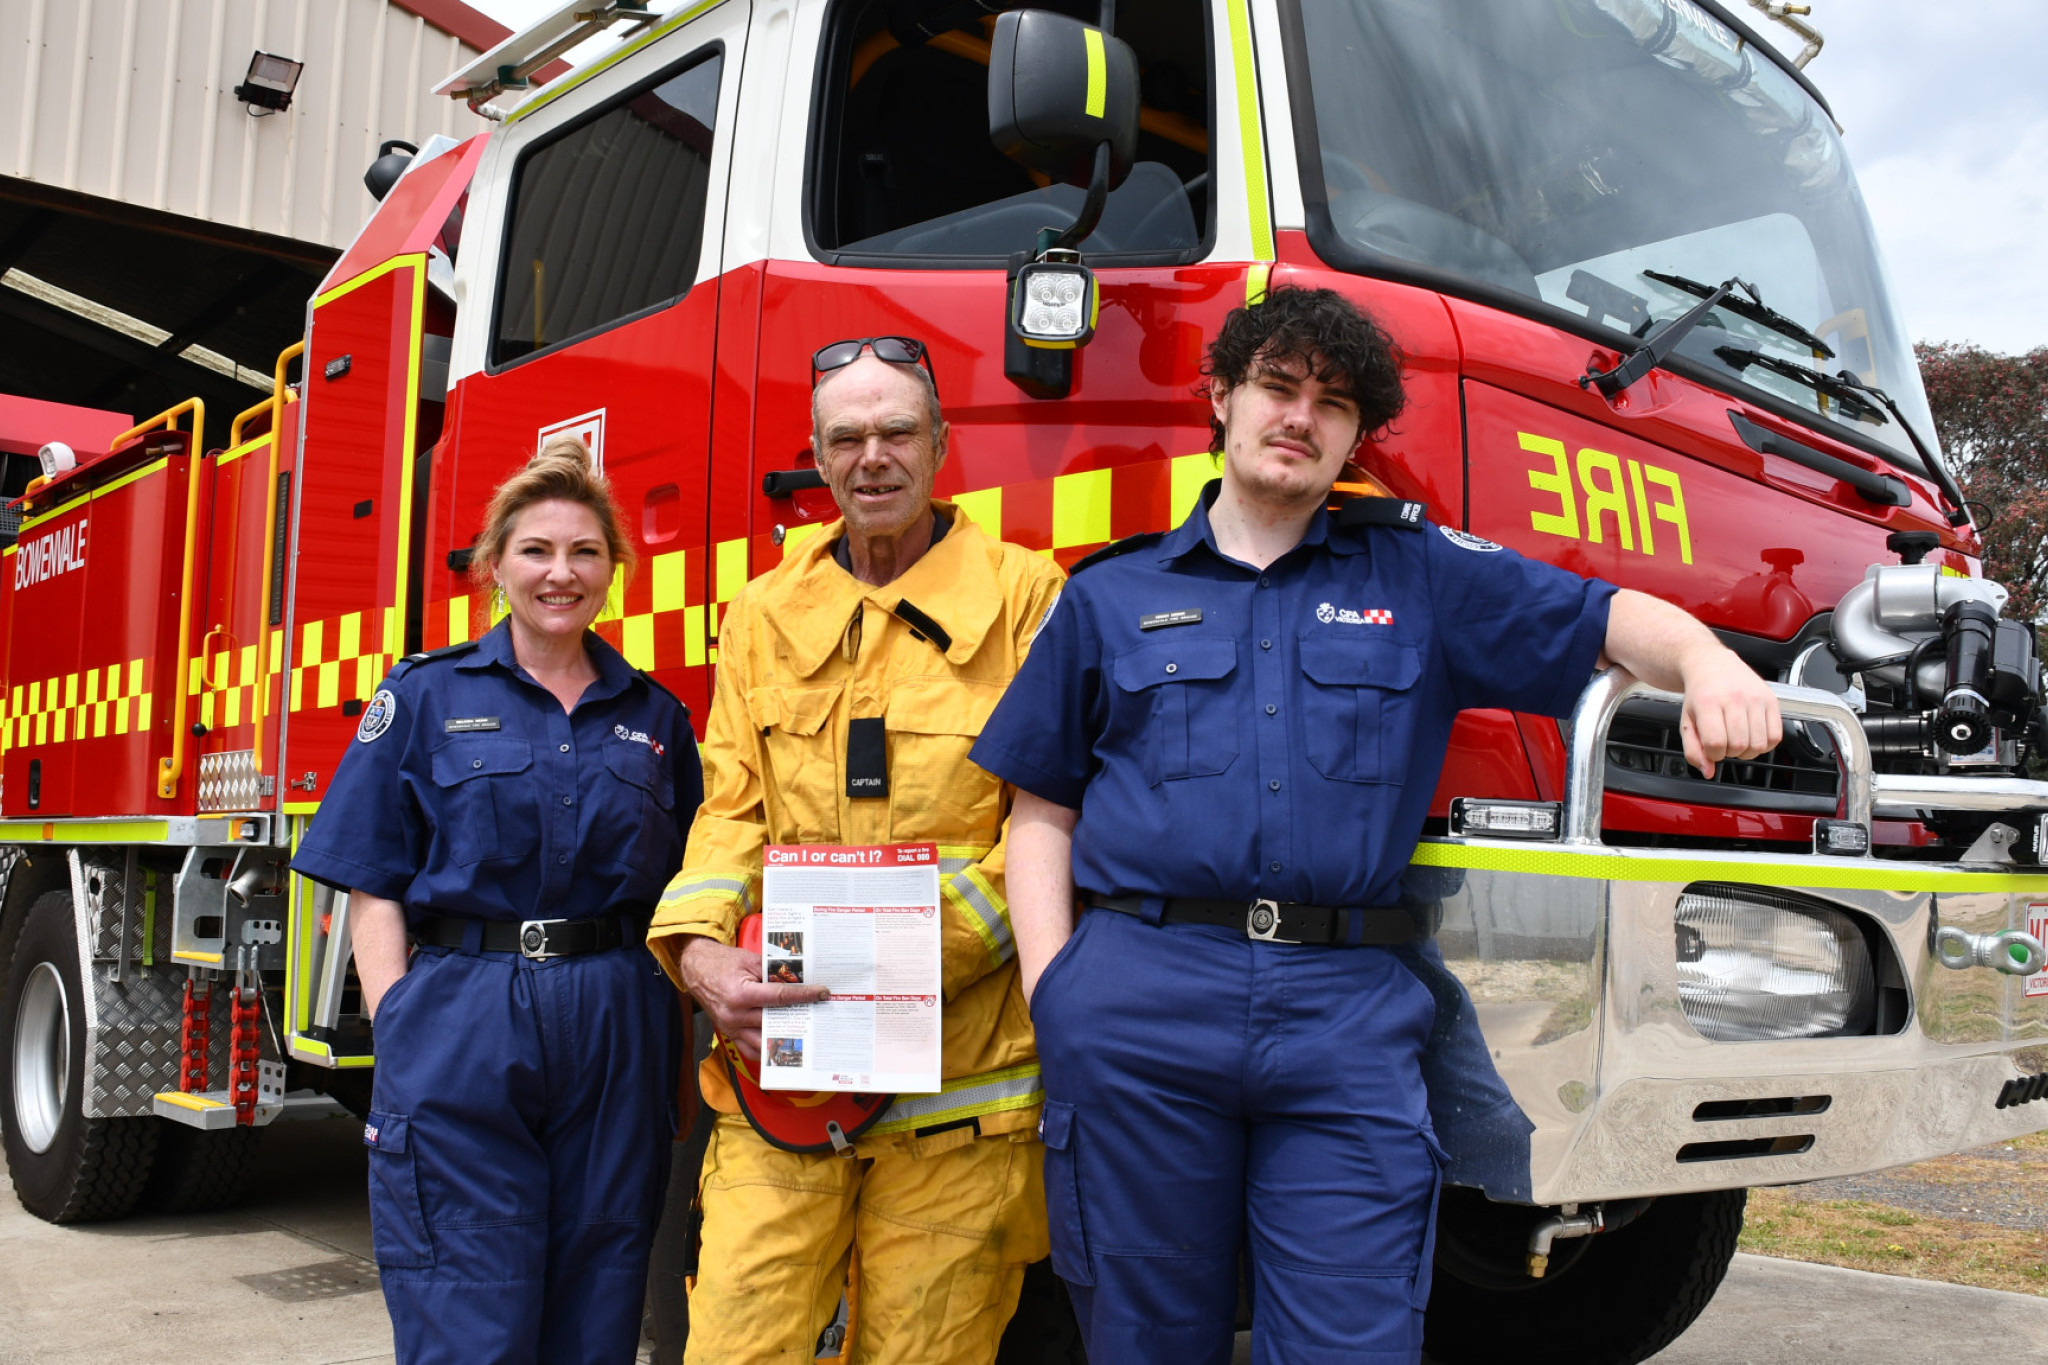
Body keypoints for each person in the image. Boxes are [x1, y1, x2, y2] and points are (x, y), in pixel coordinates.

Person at [970, 287, 1782, 1365]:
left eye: (1334, 399)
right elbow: (1040, 811)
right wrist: (1056, 993)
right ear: (1220, 398)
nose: (1300, 415)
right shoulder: (1108, 596)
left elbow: (1601, 617)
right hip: (1139, 1005)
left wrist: (1707, 662)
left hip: (1342, 1016)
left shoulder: (1421, 576)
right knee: (1143, 1337)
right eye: (1276, 385)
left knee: (1351, 1339)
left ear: (1355, 433)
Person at [646, 336, 1064, 1364]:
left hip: (961, 1102)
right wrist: (697, 955)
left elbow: (1048, 830)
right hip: (782, 1075)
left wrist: (910, 955)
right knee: (734, 1344)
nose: (871, 457)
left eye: (895, 432)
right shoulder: (761, 612)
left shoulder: (1028, 596)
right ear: (818, 457)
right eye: (846, 438)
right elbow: (730, 810)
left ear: (940, 444)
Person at [292, 438, 703, 1365]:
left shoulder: (657, 716)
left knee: (601, 1289)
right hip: (466, 1007)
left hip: (615, 1013)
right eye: (537, 550)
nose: (562, 572)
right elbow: (372, 878)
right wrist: (401, 1018)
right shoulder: (426, 695)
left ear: (613, 571)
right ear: (494, 566)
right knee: (464, 1293)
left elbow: (692, 880)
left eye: (586, 552)